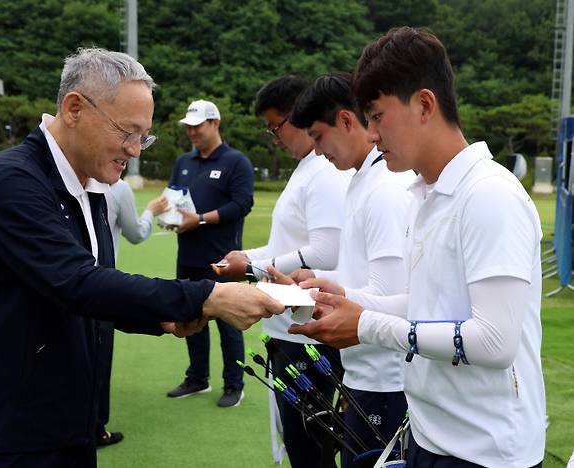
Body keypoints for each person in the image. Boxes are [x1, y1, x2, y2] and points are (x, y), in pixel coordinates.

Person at [0, 48, 284, 468]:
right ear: (75, 109)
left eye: (144, 136)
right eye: (128, 132)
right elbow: (75, 282)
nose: (136, 150)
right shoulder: (11, 180)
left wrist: (157, 318)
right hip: (2, 430)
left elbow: (93, 289)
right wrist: (205, 296)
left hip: (66, 419)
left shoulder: (93, 184)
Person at [290, 27, 545, 468]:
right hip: (431, 433)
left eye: (377, 115)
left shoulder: (489, 194)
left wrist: (367, 326)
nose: (371, 134)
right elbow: (433, 304)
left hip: (485, 451)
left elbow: (494, 341)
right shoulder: (425, 194)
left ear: (425, 104)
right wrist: (346, 300)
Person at [279, 71, 413, 467]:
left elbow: (391, 297)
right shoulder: (362, 180)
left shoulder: (385, 188)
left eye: (319, 137)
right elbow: (366, 283)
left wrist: (326, 297)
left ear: (345, 120)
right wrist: (327, 287)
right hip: (361, 372)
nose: (317, 151)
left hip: (386, 379)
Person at [220, 76, 350, 468]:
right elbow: (288, 246)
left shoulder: (325, 171)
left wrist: (254, 266)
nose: (274, 137)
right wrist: (247, 256)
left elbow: (327, 251)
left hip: (307, 326)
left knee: (309, 444)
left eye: (276, 126)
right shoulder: (307, 168)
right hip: (289, 322)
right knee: (299, 439)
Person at [165, 99, 254, 408]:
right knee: (190, 319)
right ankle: (198, 378)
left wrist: (200, 219)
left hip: (221, 261)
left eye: (197, 126)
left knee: (228, 324)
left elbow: (242, 204)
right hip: (187, 255)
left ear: (215, 123)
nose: (192, 132)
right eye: (188, 127)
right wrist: (171, 217)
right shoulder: (183, 162)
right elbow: (173, 197)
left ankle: (234, 384)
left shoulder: (235, 161)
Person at [95, 180, 168, 447]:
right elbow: (136, 233)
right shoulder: (117, 186)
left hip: (67, 282)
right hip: (99, 284)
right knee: (98, 360)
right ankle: (96, 429)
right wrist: (150, 209)